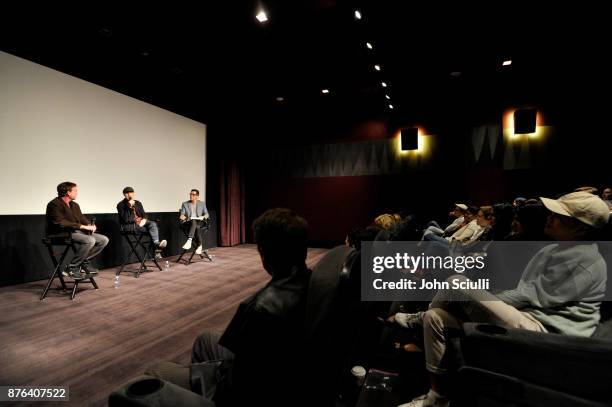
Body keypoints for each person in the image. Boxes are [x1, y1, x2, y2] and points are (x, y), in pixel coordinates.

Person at [393, 191, 609, 407]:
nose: (549, 218)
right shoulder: (556, 248)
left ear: (580, 228)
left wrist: (477, 299)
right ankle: (436, 399)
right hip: (527, 316)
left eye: (559, 216)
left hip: (547, 332)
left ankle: (416, 318)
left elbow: (527, 296)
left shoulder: (585, 262)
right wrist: (479, 300)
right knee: (436, 317)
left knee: (456, 283)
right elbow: (523, 293)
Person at [145, 208, 312, 406]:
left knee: (156, 370)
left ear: (265, 254)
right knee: (205, 339)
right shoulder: (315, 280)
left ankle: (199, 394)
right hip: (294, 373)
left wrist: (210, 376)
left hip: (248, 391)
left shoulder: (259, 307)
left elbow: (239, 381)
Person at [46, 181, 109, 279]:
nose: (77, 193)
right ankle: (72, 267)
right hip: (60, 233)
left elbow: (81, 218)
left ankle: (83, 261)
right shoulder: (54, 204)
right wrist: (83, 227)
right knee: (89, 240)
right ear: (68, 192)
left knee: (103, 240)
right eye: (75, 190)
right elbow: (60, 222)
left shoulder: (74, 205)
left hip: (75, 231)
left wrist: (89, 225)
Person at [117, 187, 167, 254]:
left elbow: (144, 214)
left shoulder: (138, 203)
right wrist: (129, 207)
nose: (129, 194)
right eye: (127, 193)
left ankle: (156, 244)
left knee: (152, 224)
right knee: (152, 230)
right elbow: (126, 219)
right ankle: (157, 249)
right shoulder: (121, 205)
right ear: (124, 194)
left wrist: (144, 219)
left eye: (131, 192)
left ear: (133, 193)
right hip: (129, 226)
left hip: (140, 223)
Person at [179, 189, 209, 255]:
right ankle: (199, 245)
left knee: (196, 224)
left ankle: (189, 240)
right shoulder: (185, 204)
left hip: (199, 221)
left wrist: (203, 217)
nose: (191, 195)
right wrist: (184, 217)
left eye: (193, 194)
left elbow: (207, 214)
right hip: (188, 222)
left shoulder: (202, 203)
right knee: (195, 223)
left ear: (197, 196)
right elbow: (182, 215)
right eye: (190, 194)